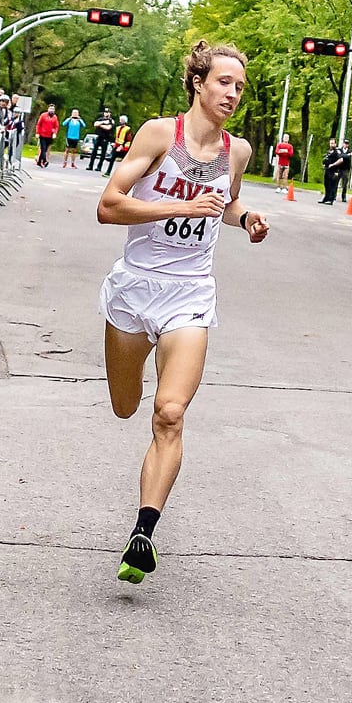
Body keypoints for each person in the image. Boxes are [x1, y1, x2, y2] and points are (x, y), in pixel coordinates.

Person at [95, 41, 266, 585]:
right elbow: (108, 205)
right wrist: (181, 205)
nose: (233, 94)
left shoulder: (236, 151)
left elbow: (228, 200)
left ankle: (143, 532)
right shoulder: (156, 135)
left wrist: (246, 220)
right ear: (198, 83)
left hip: (190, 293)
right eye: (223, 83)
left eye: (239, 86)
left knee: (169, 412)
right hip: (135, 288)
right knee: (126, 406)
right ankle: (130, 389)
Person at [89, 107, 116, 172]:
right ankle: (90, 165)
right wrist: (103, 123)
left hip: (105, 138)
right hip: (99, 137)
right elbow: (95, 124)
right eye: (106, 112)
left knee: (103, 154)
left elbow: (108, 128)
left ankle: (99, 167)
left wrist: (100, 125)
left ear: (110, 113)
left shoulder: (111, 121)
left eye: (108, 112)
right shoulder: (100, 119)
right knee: (94, 152)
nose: (107, 114)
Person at [322, 140, 348, 206]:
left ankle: (331, 199)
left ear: (335, 144)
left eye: (333, 143)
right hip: (327, 170)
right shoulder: (329, 151)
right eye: (330, 143)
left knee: (332, 185)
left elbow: (341, 160)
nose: (331, 145)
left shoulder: (337, 151)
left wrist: (333, 164)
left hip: (334, 171)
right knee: (326, 184)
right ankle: (326, 198)